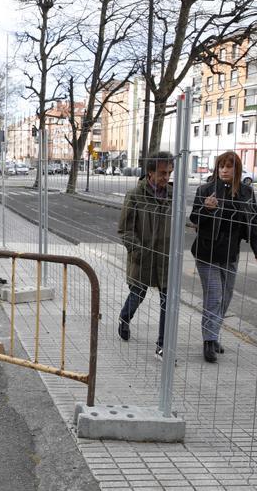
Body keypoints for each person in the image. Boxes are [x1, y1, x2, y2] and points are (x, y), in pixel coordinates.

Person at [190, 151, 257, 363]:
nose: (224, 170)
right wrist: (206, 209)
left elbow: (254, 222)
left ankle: (213, 336)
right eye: (221, 166)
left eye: (229, 166)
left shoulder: (246, 192)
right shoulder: (205, 190)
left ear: (236, 170)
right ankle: (208, 342)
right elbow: (194, 218)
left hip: (231, 253)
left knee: (226, 297)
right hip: (207, 252)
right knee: (214, 296)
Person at [117, 152, 174, 360]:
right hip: (143, 257)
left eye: (169, 172)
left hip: (166, 259)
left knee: (168, 302)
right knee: (137, 294)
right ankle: (124, 317)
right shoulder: (135, 195)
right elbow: (124, 229)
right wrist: (138, 250)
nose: (165, 177)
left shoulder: (172, 195)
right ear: (150, 172)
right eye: (161, 173)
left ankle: (162, 345)